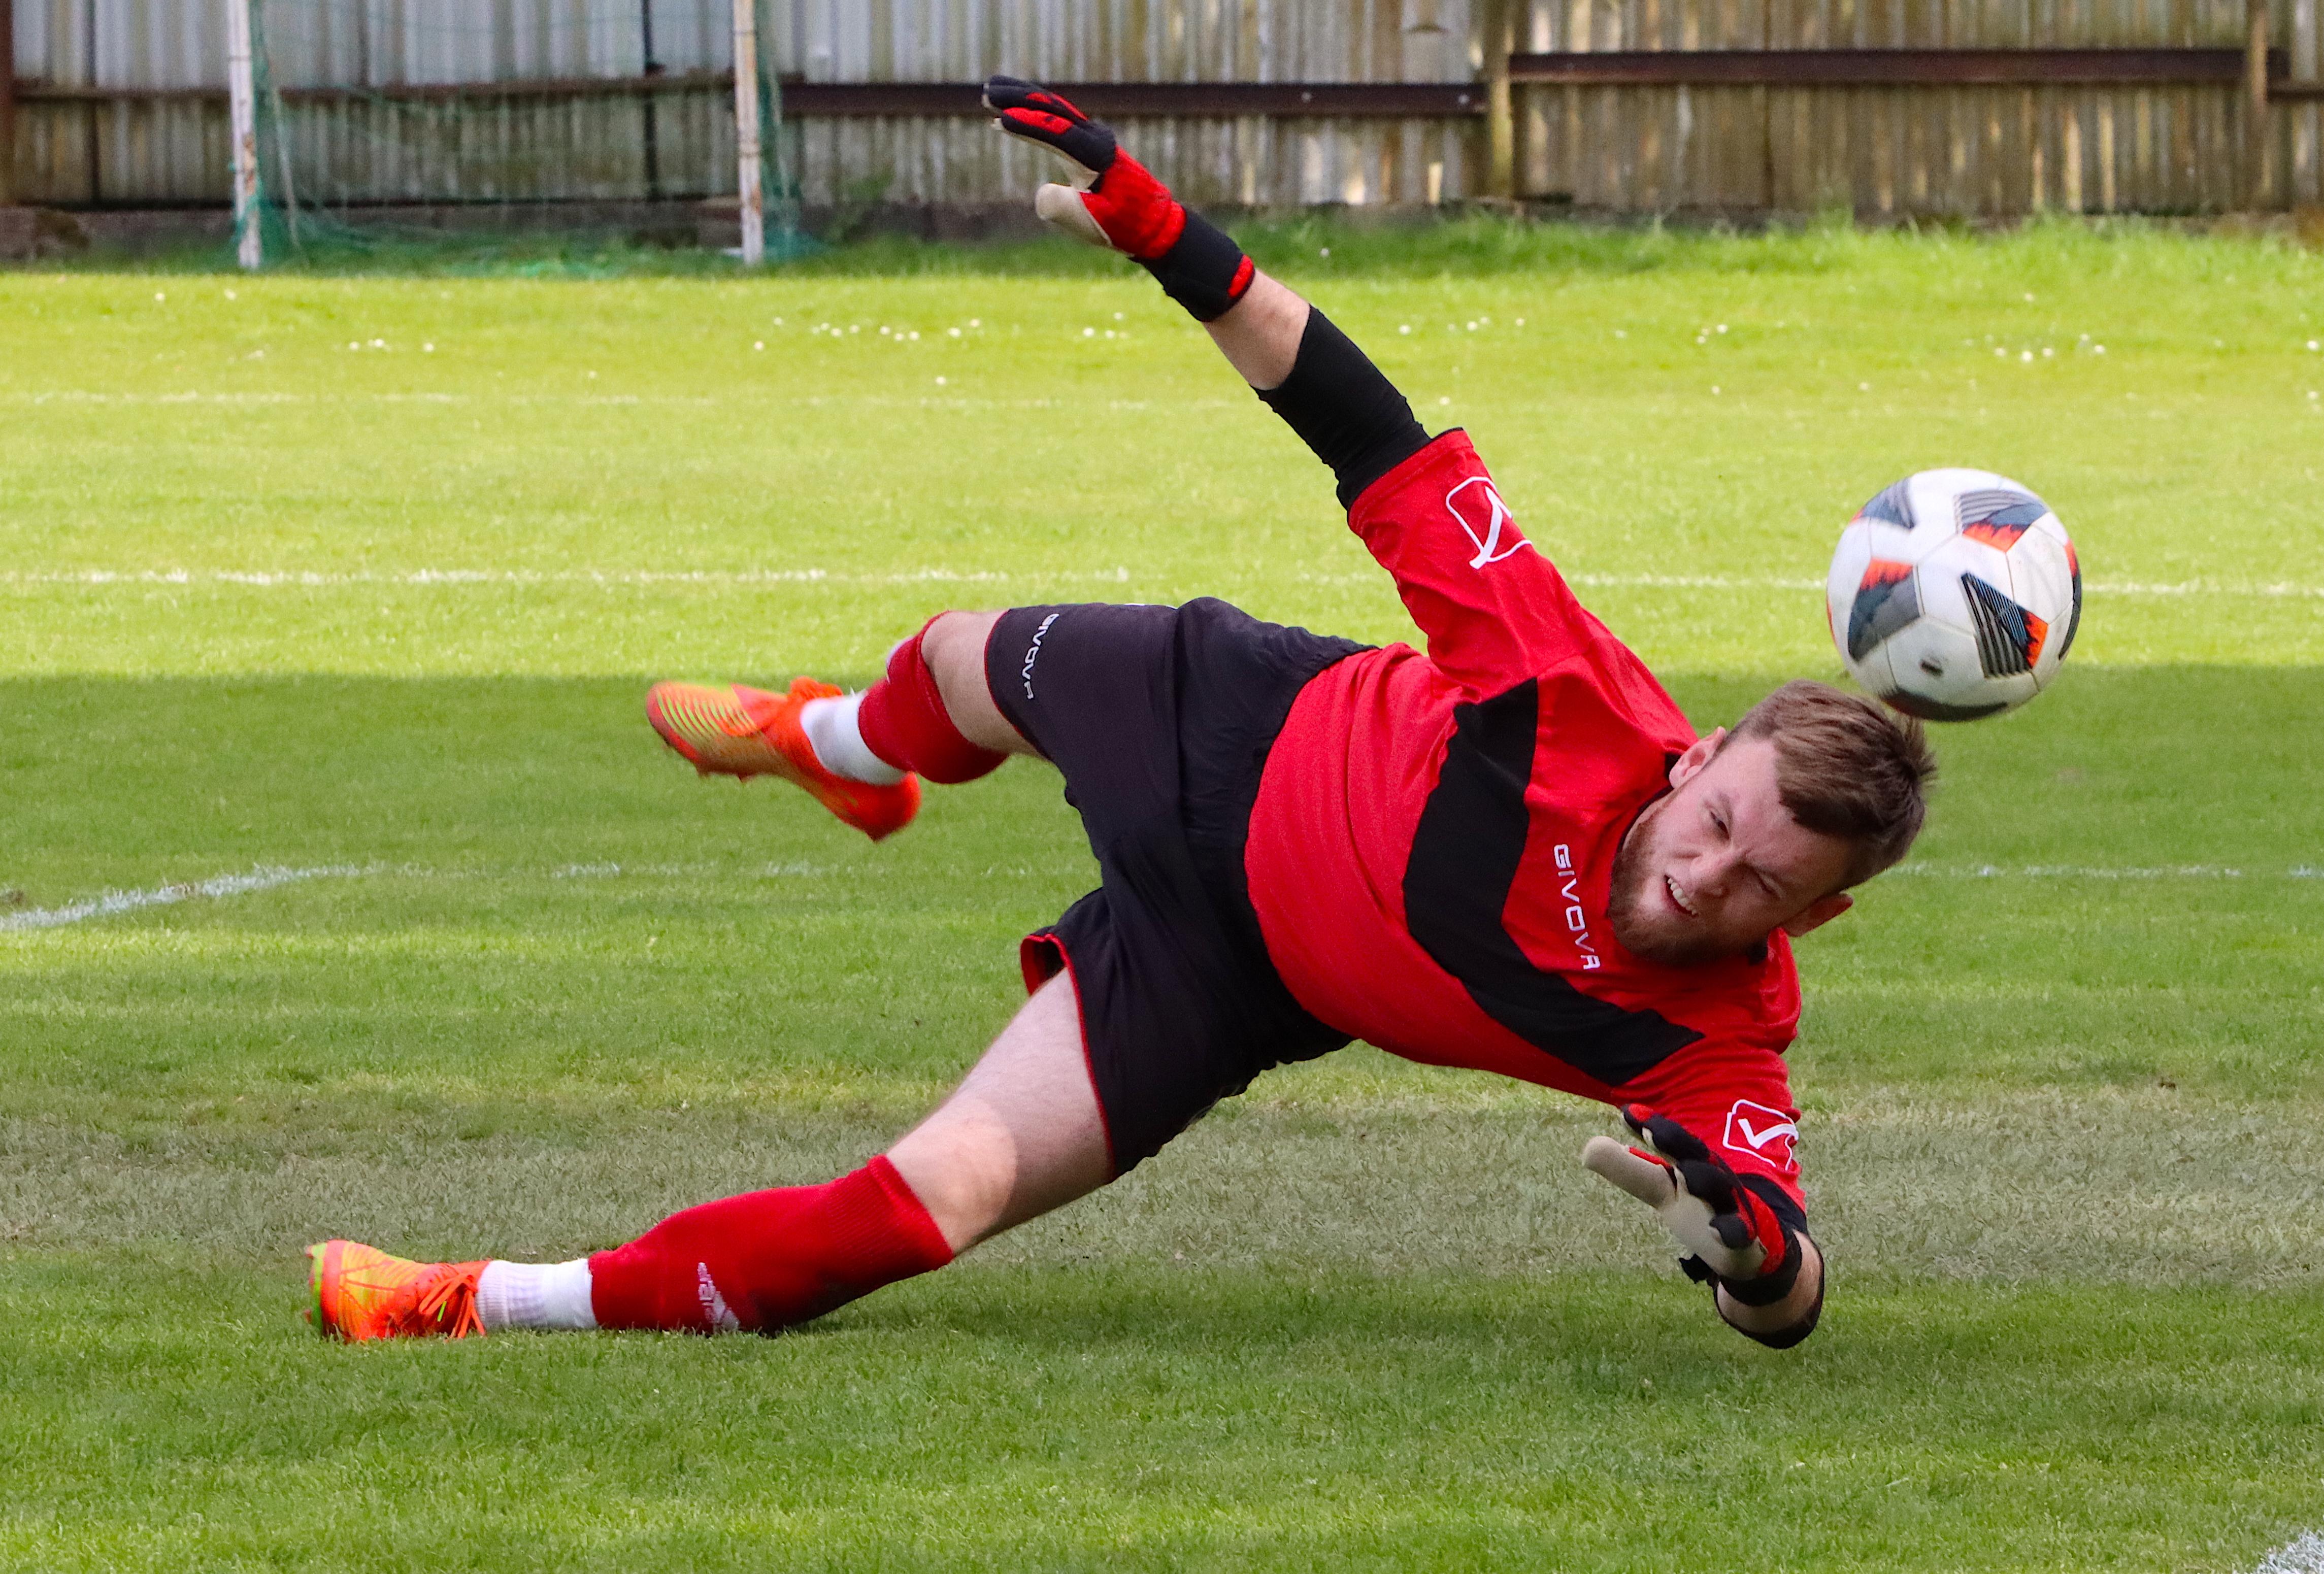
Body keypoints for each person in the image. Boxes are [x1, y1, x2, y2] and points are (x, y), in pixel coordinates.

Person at [306, 78, 1935, 1352]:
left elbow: (1789, 1287)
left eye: (1764, 887)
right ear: (1703, 750)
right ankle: (838, 751)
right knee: (953, 661)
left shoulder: (1724, 1028)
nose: (1715, 880)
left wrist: (1745, 1250)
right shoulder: (1561, 686)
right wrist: (1159, 226)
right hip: (1224, 721)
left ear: (1824, 914)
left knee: (924, 1209)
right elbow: (1364, 426)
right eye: (1722, 824)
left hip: (1228, 976)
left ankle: (456, 1299)